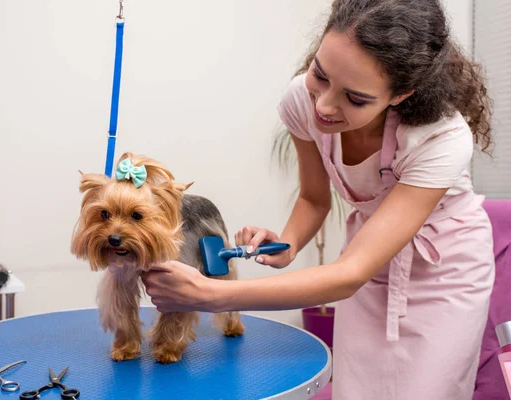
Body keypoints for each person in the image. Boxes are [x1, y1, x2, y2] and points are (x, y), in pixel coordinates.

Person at [141, 0, 495, 398]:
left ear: (401, 94)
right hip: (364, 258)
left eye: (355, 98)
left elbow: (349, 274)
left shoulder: (440, 137)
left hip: (443, 270)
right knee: (356, 389)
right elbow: (313, 198)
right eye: (320, 75)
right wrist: (288, 243)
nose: (324, 106)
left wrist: (210, 295)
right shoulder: (301, 100)